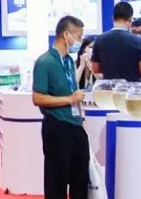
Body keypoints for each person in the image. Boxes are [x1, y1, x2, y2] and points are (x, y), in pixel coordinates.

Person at [32, 15, 89, 199]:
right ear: (66, 35)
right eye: (78, 36)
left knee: (80, 178)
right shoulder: (45, 62)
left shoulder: (69, 61)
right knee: (56, 180)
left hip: (75, 124)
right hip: (56, 126)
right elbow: (37, 98)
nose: (80, 41)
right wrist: (69, 99)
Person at [91, 2, 141, 81]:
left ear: (112, 18)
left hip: (110, 86)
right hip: (132, 86)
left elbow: (95, 69)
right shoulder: (138, 41)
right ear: (130, 19)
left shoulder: (99, 40)